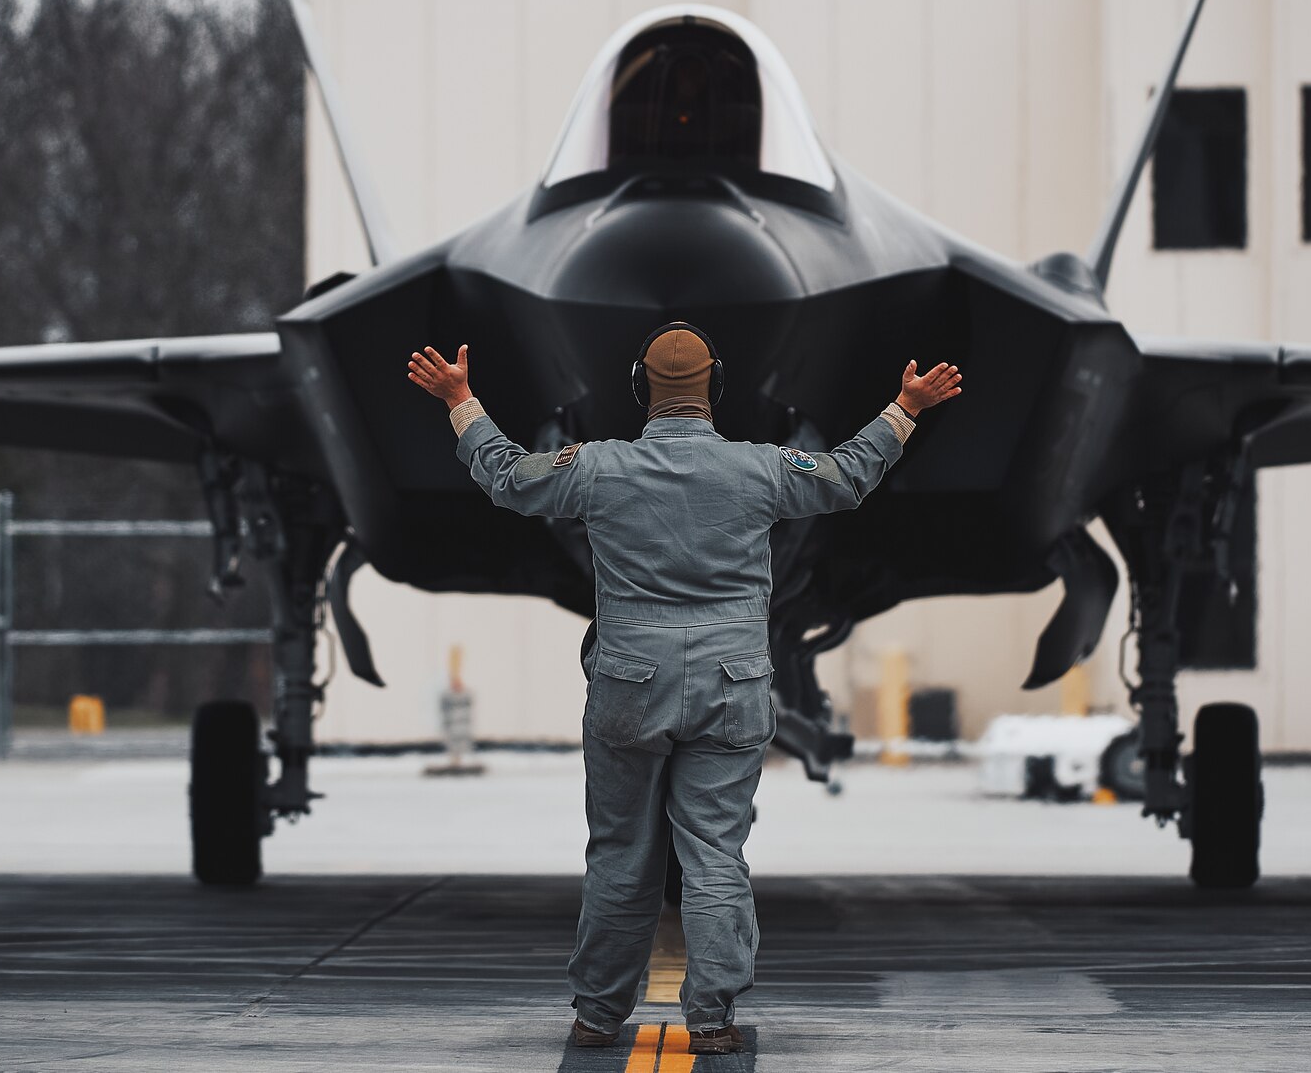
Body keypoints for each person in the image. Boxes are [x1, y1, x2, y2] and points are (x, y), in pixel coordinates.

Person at [407, 324, 962, 1055]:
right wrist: (905, 408)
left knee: (620, 854)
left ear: (640, 389)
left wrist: (461, 401)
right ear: (717, 388)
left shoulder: (599, 468)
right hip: (733, 686)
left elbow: (509, 477)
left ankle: (599, 1014)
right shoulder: (761, 469)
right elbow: (846, 476)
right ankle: (712, 1018)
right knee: (714, 853)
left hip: (629, 684)